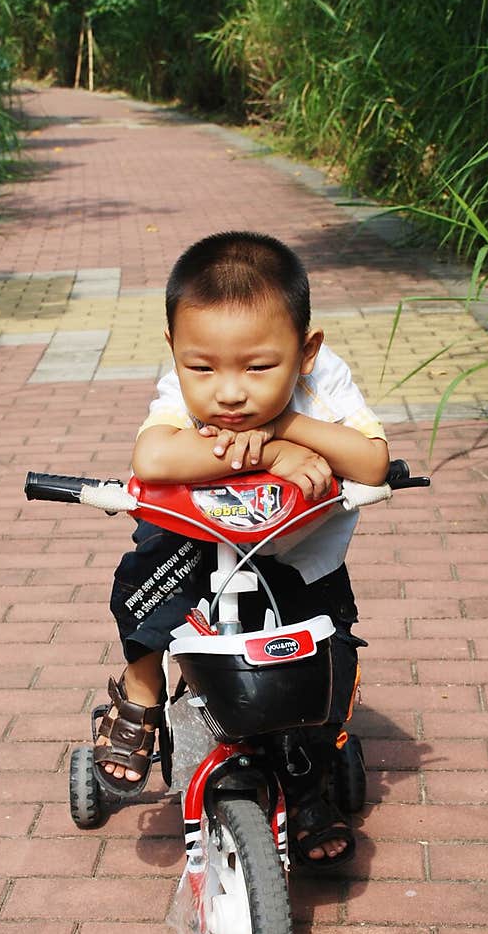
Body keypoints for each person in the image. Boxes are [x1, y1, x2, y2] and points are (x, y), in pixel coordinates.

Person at [93, 231, 389, 865]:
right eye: (202, 368)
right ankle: (142, 691)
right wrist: (274, 452)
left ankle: (306, 784)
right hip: (196, 543)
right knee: (150, 591)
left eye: (259, 369)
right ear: (176, 351)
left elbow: (371, 462)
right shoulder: (186, 383)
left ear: (306, 352)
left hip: (297, 552)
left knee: (319, 660)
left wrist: (286, 425)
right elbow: (153, 456)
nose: (229, 393)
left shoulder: (325, 382)